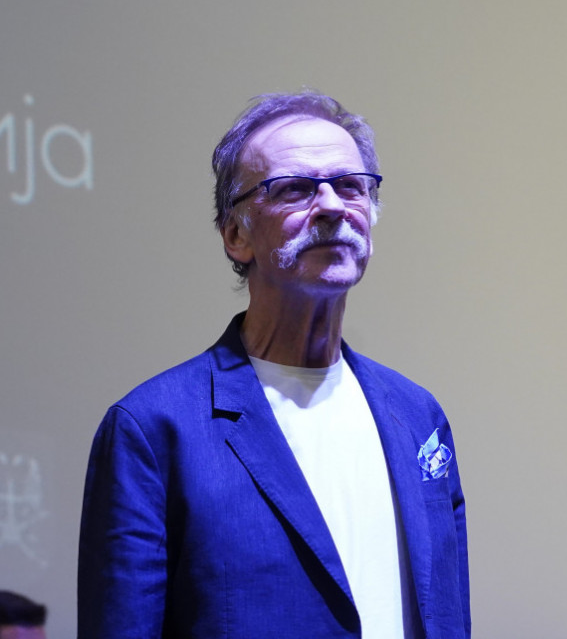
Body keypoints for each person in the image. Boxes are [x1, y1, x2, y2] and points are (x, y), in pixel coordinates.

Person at [78, 91, 470, 638]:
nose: (332, 206)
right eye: (295, 189)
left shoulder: (418, 417)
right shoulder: (153, 429)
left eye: (350, 185)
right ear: (236, 236)